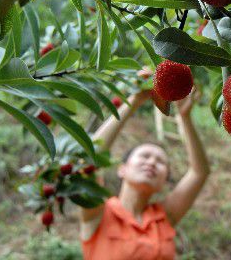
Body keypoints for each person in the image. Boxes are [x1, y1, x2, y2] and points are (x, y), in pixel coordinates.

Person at [80, 70, 210, 260]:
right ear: (122, 169)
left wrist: (185, 118)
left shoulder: (164, 217)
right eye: (144, 156)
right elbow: (90, 160)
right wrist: (133, 101)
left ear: (164, 181)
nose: (152, 162)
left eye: (160, 162)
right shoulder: (98, 212)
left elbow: (200, 173)